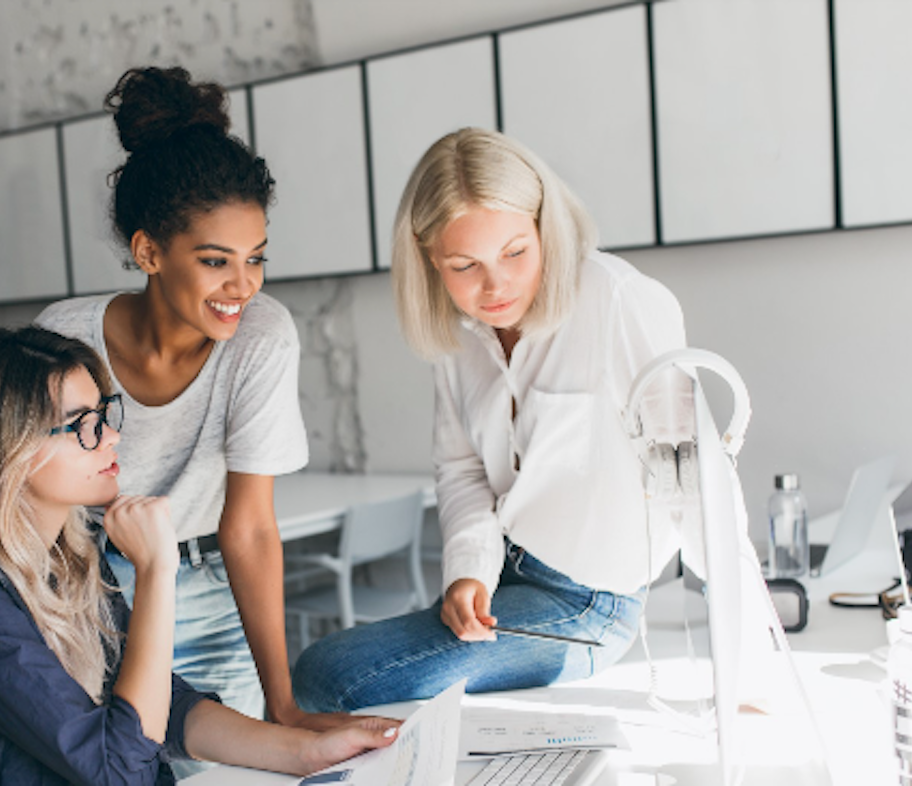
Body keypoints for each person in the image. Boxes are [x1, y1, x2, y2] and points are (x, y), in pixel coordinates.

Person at [0, 326, 399, 785]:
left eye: (105, 414)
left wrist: (302, 751)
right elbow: (117, 770)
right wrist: (158, 570)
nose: (112, 436)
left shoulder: (66, 557)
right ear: (10, 451)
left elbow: (165, 706)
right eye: (83, 425)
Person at [292, 128, 691, 712]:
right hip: (506, 578)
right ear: (430, 258)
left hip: (589, 605)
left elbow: (693, 475)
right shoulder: (459, 339)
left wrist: (754, 654)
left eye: (514, 253)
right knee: (325, 675)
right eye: (464, 265)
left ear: (544, 227)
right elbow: (462, 471)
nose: (495, 285)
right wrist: (466, 575)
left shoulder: (619, 300)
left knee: (329, 676)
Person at [36, 66, 347, 733]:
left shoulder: (261, 337)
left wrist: (282, 704)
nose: (243, 284)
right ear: (150, 251)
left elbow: (251, 528)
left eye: (255, 257)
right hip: (85, 595)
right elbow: (32, 494)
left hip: (204, 590)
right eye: (215, 261)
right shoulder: (64, 336)